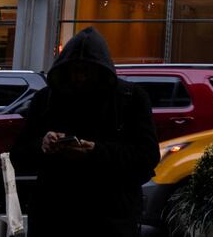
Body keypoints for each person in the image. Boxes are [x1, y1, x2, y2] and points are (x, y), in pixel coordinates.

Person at [10, 28, 160, 237]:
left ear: (101, 70)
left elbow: (147, 156)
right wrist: (43, 145)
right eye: (75, 70)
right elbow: (18, 155)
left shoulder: (131, 99)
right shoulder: (45, 100)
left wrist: (95, 151)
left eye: (87, 70)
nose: (80, 76)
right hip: (55, 216)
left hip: (108, 219)